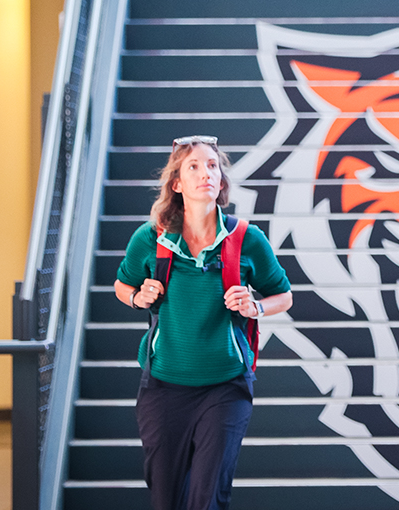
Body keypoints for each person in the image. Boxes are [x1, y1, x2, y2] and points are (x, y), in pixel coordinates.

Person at [114, 135, 293, 510]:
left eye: (212, 166)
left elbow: (284, 295)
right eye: (193, 166)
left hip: (225, 387)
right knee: (165, 498)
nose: (205, 173)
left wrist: (254, 307)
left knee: (206, 497)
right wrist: (136, 296)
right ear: (176, 183)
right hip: (163, 388)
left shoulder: (246, 238)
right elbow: (122, 283)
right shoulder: (151, 238)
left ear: (222, 181)